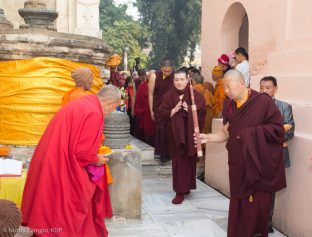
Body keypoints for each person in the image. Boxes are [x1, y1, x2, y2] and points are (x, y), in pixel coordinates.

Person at [196, 70, 286, 237]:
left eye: (228, 87)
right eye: (224, 88)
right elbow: (226, 133)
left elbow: (277, 130)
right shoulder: (229, 105)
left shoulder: (262, 102)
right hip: (238, 164)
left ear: (241, 84)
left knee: (257, 211)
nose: (226, 92)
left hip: (259, 167)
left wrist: (249, 134)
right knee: (239, 206)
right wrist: (207, 137)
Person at [21, 85, 121, 237]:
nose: (110, 112)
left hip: (52, 155)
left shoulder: (84, 102)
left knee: (51, 199)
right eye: (114, 108)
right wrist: (96, 159)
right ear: (110, 103)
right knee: (72, 201)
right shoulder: (94, 112)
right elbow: (82, 153)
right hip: (62, 161)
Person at [158, 69, 206, 204]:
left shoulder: (195, 96)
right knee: (178, 163)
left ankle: (187, 187)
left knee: (189, 161)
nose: (179, 83)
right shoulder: (168, 96)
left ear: (188, 80)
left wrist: (189, 110)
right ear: (173, 81)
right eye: (176, 80)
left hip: (189, 135)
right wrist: (173, 111)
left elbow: (202, 113)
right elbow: (161, 114)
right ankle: (179, 191)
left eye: (182, 80)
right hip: (175, 136)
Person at [260, 76, 295, 233]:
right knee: (256, 188)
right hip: (257, 154)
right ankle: (254, 220)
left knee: (271, 190)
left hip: (275, 155)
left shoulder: (284, 107)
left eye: (268, 87)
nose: (264, 91)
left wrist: (269, 139)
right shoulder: (253, 107)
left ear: (275, 88)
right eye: (261, 87)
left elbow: (290, 132)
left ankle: (267, 222)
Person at [148, 59, 175, 163]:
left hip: (171, 108)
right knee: (161, 130)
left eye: (169, 71)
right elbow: (150, 94)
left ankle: (169, 153)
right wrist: (151, 110)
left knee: (171, 130)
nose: (167, 73)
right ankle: (162, 154)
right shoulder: (154, 76)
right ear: (161, 68)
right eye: (165, 71)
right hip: (158, 108)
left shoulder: (175, 77)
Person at [134, 70, 155, 146]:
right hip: (146, 115)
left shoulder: (160, 85)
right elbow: (137, 101)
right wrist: (141, 111)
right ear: (148, 77)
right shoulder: (142, 86)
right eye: (150, 77)